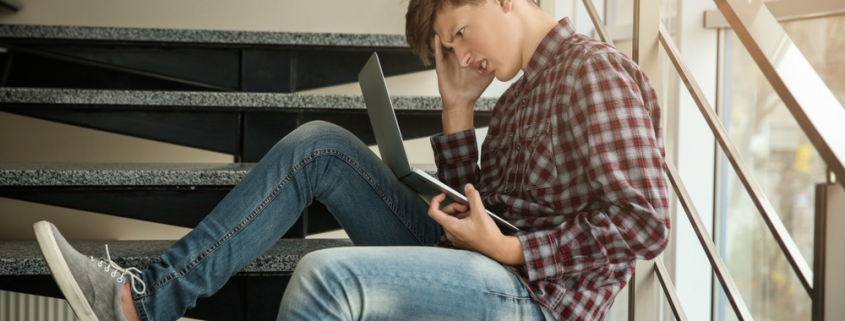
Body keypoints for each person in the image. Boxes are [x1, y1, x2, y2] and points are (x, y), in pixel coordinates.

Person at [33, 0, 670, 319]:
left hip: (534, 297)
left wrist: (512, 252)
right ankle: (143, 301)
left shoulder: (594, 73)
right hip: (492, 262)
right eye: (447, 52)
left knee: (323, 275)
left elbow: (648, 222)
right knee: (319, 144)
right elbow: (479, 214)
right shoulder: (516, 97)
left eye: (459, 35)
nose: (461, 57)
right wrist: (455, 109)